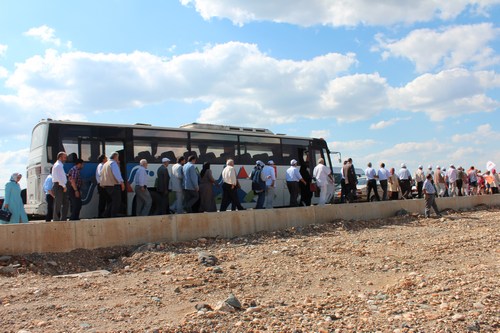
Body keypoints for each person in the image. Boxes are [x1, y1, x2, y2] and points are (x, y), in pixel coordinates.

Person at [100, 152, 125, 217]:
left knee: (113, 201)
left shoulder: (106, 164)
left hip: (107, 185)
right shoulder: (113, 163)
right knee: (117, 201)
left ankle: (105, 214)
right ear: (116, 157)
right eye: (118, 157)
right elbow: (117, 174)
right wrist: (122, 182)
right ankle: (113, 215)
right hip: (114, 185)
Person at [52, 151, 69, 221]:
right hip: (59, 185)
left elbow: (62, 175)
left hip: (61, 185)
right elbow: (59, 178)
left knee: (65, 202)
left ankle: (63, 218)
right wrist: (64, 186)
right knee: (58, 203)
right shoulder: (58, 165)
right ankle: (56, 218)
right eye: (64, 157)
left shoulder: (60, 165)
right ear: (60, 157)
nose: (65, 159)